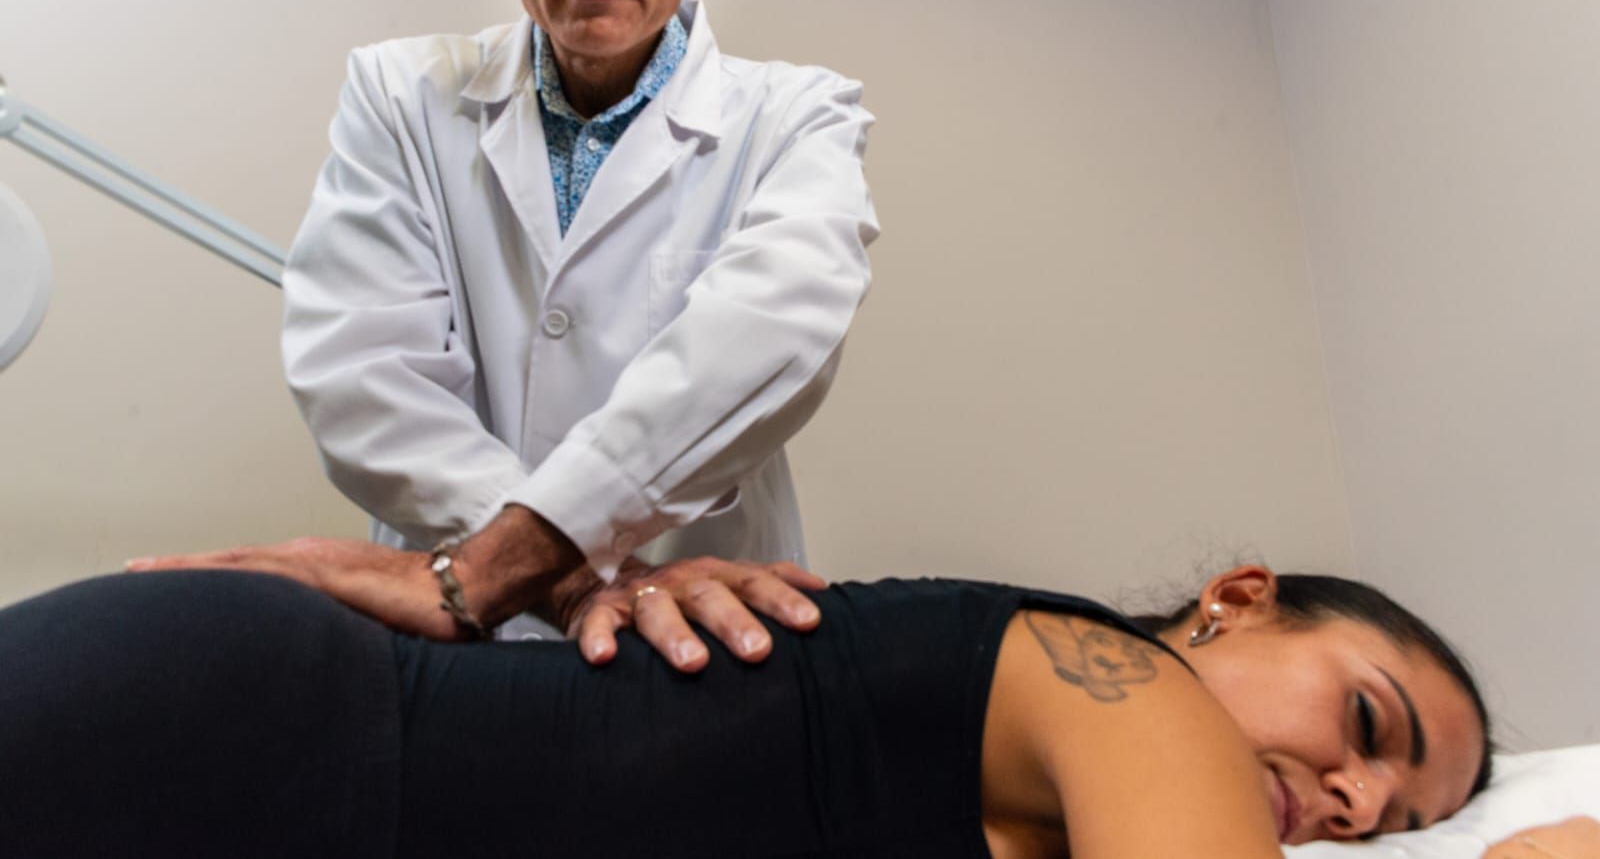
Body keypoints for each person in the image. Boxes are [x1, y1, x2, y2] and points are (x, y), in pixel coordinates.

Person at [259, 0, 879, 663]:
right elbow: (361, 375)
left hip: (697, 645)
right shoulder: (398, 94)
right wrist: (571, 579)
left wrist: (506, 558)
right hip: (458, 652)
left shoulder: (798, 118)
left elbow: (765, 343)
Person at [13, 556, 1584, 858]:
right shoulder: (1136, 690)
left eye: (1409, 815)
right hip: (278, 751)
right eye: (1371, 726)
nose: (1365, 800)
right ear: (1236, 597)